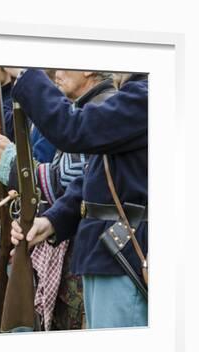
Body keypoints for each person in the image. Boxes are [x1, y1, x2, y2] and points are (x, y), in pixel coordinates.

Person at [8, 68, 148, 329]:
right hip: (110, 252)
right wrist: (53, 220)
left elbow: (73, 128)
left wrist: (26, 74)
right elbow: (95, 176)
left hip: (123, 255)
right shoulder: (136, 95)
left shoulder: (148, 96)